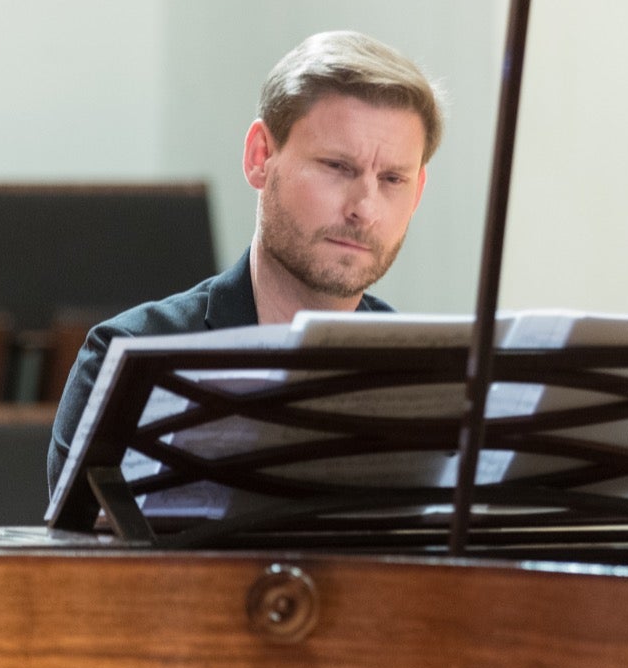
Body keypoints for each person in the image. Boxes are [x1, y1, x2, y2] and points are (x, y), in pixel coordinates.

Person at [47, 29, 445, 491]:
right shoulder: (126, 359)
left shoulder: (428, 380)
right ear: (260, 157)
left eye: (392, 179)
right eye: (338, 167)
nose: (365, 209)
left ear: (418, 192)